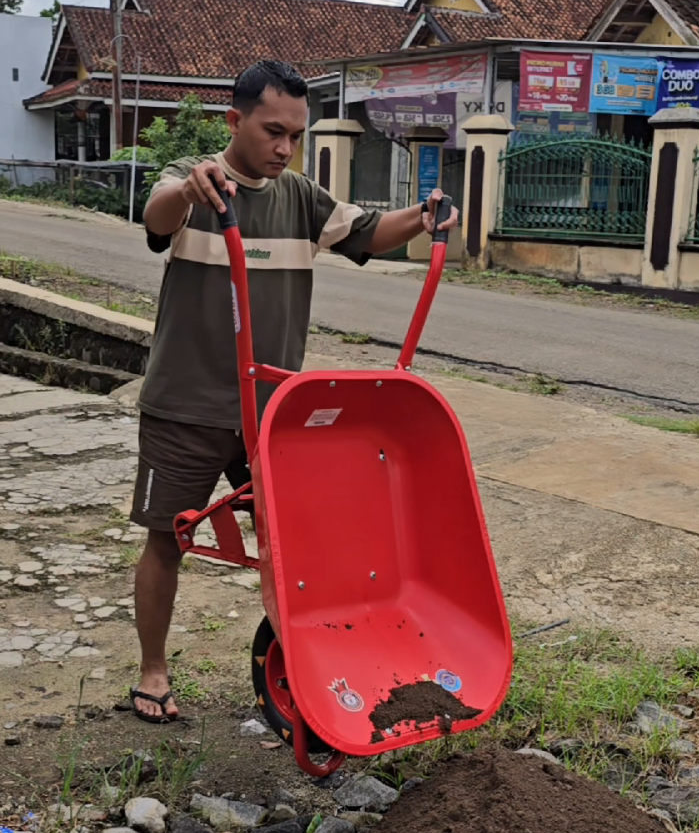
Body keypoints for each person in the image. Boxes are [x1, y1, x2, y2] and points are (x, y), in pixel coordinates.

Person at [129, 58, 459, 722]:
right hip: (185, 406)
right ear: (235, 120)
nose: (283, 148)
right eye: (271, 131)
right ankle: (153, 668)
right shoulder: (192, 181)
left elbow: (367, 231)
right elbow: (156, 217)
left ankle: (306, 668)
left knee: (296, 550)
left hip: (272, 413)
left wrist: (423, 216)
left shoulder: (300, 197)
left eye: (295, 135)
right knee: (166, 539)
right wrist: (192, 192)